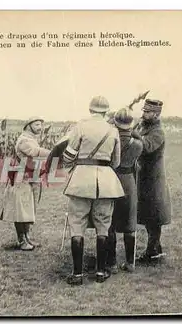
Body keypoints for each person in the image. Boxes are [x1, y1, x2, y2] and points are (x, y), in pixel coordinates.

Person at [54, 96, 124, 285]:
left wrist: (73, 168)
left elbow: (69, 154)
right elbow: (116, 161)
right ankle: (101, 272)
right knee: (103, 226)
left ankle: (77, 274)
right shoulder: (113, 130)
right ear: (106, 111)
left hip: (81, 179)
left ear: (90, 109)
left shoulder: (80, 127)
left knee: (77, 225)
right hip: (106, 181)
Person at [0, 117, 50, 251]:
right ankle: (21, 240)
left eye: (41, 125)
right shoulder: (24, 140)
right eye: (37, 124)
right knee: (20, 209)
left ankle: (27, 237)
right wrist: (53, 153)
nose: (40, 127)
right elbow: (35, 152)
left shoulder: (31, 139)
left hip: (30, 176)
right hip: (20, 177)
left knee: (29, 208)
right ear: (29, 125)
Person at [132, 99, 172, 264]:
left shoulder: (158, 132)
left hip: (154, 180)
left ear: (156, 114)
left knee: (154, 215)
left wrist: (132, 133)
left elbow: (146, 147)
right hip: (146, 178)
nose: (143, 114)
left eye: (147, 112)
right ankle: (155, 248)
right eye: (144, 111)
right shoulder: (145, 127)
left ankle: (152, 251)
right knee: (149, 214)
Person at [106, 108, 143, 274]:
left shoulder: (110, 139)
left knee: (110, 222)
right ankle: (130, 262)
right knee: (130, 221)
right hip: (129, 181)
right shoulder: (138, 144)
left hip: (112, 179)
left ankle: (111, 264)